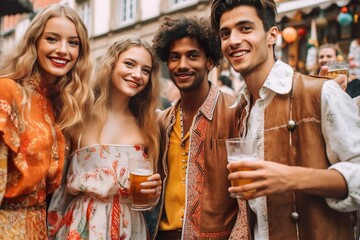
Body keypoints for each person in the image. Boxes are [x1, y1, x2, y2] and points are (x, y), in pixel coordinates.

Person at [210, 0, 360, 239]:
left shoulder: (322, 92)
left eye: (245, 28)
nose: (234, 40)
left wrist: (288, 177)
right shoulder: (239, 110)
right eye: (225, 33)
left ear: (272, 35)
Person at [47, 37, 162, 239]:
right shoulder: (77, 115)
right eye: (129, 64)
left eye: (145, 70)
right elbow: (58, 186)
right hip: (84, 225)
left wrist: (153, 193)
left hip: (131, 226)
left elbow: (148, 199)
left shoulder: (150, 124)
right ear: (110, 64)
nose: (137, 75)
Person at [149, 15, 249, 240]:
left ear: (210, 61)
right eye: (175, 57)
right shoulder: (162, 121)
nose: (182, 65)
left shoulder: (234, 112)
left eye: (192, 56)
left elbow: (246, 198)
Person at [0, 4, 93, 239]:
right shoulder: (7, 90)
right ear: (35, 42)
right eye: (52, 39)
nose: (63, 50)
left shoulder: (59, 102)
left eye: (73, 43)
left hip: (42, 229)